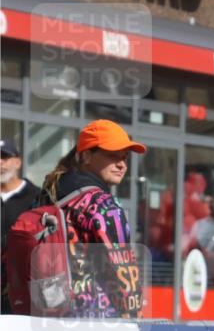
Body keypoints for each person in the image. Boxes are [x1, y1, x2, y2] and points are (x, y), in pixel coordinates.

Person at [35, 120, 145, 318]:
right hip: (95, 320)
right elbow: (123, 272)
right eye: (112, 155)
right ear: (86, 155)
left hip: (48, 313)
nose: (122, 164)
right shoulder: (104, 205)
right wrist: (134, 319)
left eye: (124, 157)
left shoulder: (49, 192)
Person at [1, 139, 42, 314]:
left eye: (4, 157)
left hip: (22, 289)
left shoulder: (37, 197)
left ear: (18, 162)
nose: (0, 162)